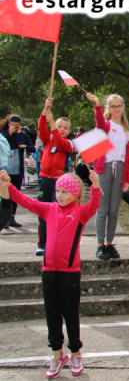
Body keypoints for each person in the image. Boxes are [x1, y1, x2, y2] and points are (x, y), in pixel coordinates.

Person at [1, 169, 100, 379]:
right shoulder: (48, 209)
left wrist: (96, 186)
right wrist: (8, 185)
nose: (60, 195)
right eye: (58, 191)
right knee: (52, 314)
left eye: (65, 192)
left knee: (71, 315)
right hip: (49, 271)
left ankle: (75, 353)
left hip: (70, 272)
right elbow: (26, 201)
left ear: (75, 194)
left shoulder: (80, 213)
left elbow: (94, 205)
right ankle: (57, 356)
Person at [87, 92, 129, 261]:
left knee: (114, 210)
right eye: (112, 106)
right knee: (103, 209)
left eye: (119, 106)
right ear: (109, 108)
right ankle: (100, 245)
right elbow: (99, 123)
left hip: (120, 169)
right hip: (105, 167)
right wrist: (97, 106)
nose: (116, 109)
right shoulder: (106, 125)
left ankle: (109, 243)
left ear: (123, 107)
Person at [36, 97, 73, 256]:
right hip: (44, 180)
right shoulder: (47, 141)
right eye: (59, 126)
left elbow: (59, 141)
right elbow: (41, 128)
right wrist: (45, 111)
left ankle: (55, 243)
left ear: (69, 131)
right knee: (43, 212)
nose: (62, 130)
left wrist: (52, 125)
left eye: (65, 128)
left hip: (59, 182)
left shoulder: (67, 144)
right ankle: (42, 243)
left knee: (57, 213)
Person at [1, 114, 34, 228]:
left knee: (15, 193)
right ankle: (4, 218)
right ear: (9, 124)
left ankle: (12, 217)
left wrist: (25, 146)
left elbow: (32, 148)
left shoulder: (23, 135)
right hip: (5, 169)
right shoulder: (4, 135)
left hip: (18, 169)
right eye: (13, 126)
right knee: (5, 194)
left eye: (17, 127)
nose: (15, 129)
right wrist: (9, 133)